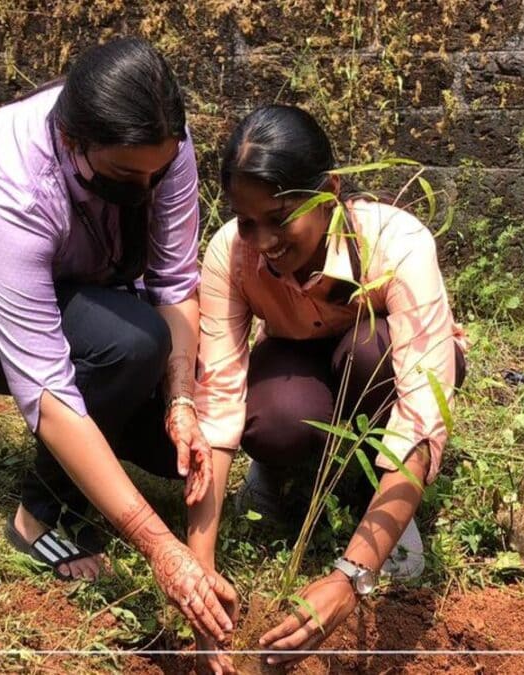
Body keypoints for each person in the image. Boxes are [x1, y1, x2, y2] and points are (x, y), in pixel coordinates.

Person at [0, 37, 236, 643]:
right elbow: (47, 387)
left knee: (182, 450)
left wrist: (184, 401)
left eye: (155, 173)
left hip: (91, 295)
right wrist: (159, 546)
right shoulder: (9, 175)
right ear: (72, 141)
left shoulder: (162, 142)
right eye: (124, 176)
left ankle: (112, 423)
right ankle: (41, 513)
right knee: (130, 345)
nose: (145, 186)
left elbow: (172, 281)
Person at [189, 105, 467, 671]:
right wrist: (199, 568)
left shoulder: (397, 242)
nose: (261, 239)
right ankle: (279, 471)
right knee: (276, 415)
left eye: (279, 217)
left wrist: (349, 577)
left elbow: (420, 417)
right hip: (298, 355)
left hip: (375, 363)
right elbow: (217, 405)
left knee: (371, 351)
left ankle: (380, 505)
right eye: (246, 220)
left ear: (329, 193)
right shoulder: (230, 253)